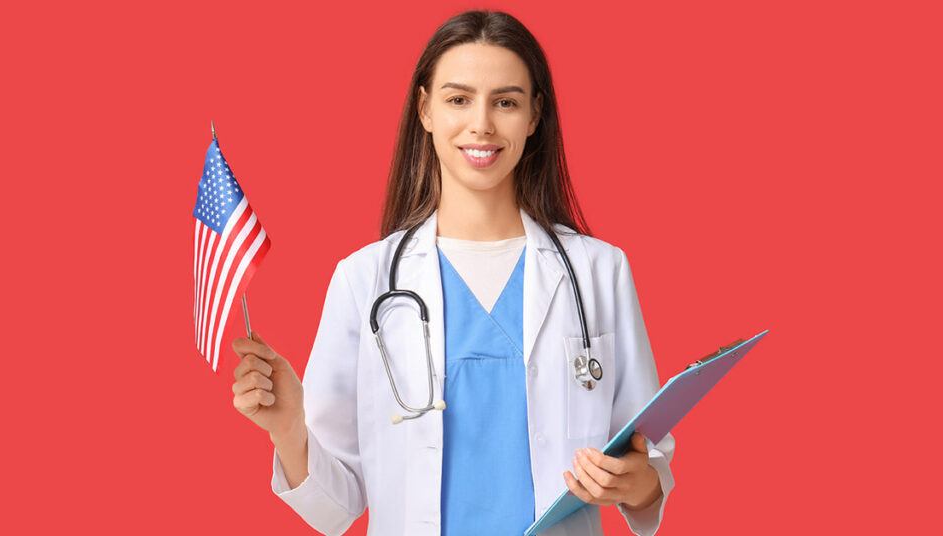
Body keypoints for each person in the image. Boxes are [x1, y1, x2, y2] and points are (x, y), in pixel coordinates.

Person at [230, 10, 674, 536]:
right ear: (425, 110)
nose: (481, 124)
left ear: (534, 116)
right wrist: (287, 429)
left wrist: (636, 483)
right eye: (458, 99)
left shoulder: (599, 272)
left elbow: (648, 465)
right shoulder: (364, 281)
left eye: (505, 102)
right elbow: (336, 508)